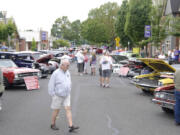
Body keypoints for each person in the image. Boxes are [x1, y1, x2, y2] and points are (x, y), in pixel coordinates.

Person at [48, 59, 79, 132]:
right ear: (62, 65)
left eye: (68, 65)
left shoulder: (67, 72)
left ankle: (71, 126)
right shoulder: (56, 73)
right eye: (67, 65)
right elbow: (51, 85)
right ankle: (52, 124)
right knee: (56, 110)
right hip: (58, 95)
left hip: (66, 95)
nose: (68, 67)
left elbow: (69, 81)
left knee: (68, 109)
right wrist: (53, 95)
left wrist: (69, 89)